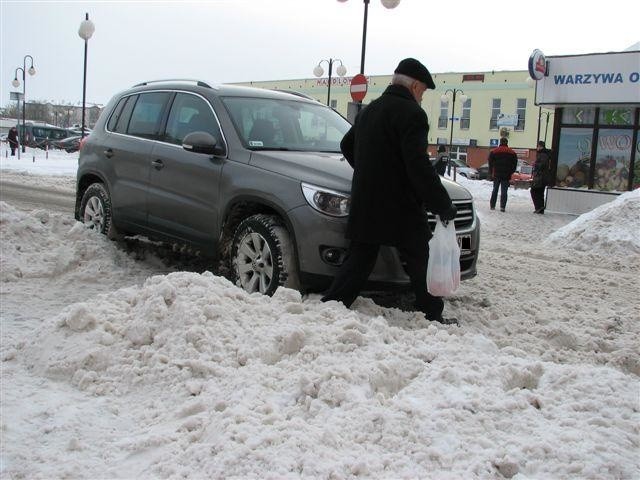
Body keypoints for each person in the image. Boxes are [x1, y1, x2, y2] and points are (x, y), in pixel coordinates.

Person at [321, 58, 458, 324]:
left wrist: (369, 173)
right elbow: (418, 166)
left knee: (359, 259)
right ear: (415, 86)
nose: (421, 98)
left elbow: (347, 144)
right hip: (401, 206)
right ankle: (432, 315)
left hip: (368, 201)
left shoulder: (371, 110)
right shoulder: (412, 115)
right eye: (422, 92)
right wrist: (442, 204)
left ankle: (333, 305)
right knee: (420, 258)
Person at [488, 137, 518, 212]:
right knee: (504, 191)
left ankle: (492, 206)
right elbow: (514, 164)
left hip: (497, 174)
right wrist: (510, 172)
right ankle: (502, 207)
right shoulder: (512, 152)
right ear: (507, 143)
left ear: (500, 142)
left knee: (495, 190)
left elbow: (490, 163)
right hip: (506, 175)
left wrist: (491, 172)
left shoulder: (494, 151)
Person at [531, 140, 553, 214]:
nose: (537, 148)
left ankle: (539, 207)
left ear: (540, 146)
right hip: (542, 177)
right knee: (540, 192)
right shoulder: (544, 154)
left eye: (538, 146)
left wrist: (535, 164)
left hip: (540, 177)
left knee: (534, 191)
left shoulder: (542, 154)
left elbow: (542, 165)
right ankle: (540, 208)